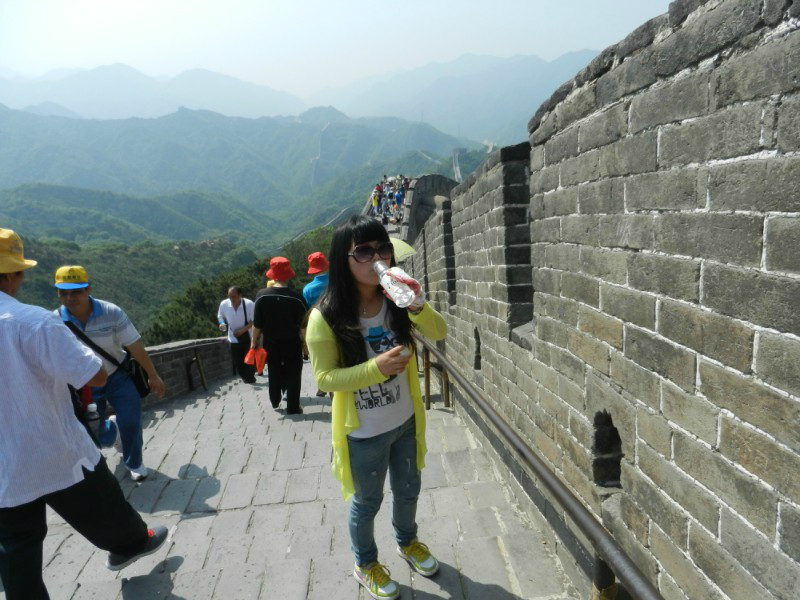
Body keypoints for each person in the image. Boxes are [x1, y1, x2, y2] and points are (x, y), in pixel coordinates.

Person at [0, 229, 168, 600]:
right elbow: (95, 374)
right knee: (101, 500)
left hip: (4, 469)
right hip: (53, 447)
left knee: (16, 549)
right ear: (12, 274)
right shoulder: (34, 322)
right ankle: (132, 543)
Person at [305, 216, 447, 600]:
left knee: (408, 489)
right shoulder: (325, 317)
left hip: (405, 419)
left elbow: (439, 332)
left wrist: (417, 304)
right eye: (363, 252)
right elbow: (325, 379)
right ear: (344, 259)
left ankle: (408, 541)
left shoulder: (394, 300)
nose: (377, 258)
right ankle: (365, 563)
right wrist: (375, 369)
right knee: (367, 502)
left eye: (382, 248)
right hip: (364, 432)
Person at [54, 265, 165, 481]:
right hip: (86, 383)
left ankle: (134, 462)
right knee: (96, 432)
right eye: (63, 292)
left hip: (118, 376)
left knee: (131, 421)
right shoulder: (55, 321)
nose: (69, 298)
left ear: (88, 289)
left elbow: (134, 345)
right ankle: (112, 430)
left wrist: (153, 375)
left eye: (76, 291)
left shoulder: (111, 312)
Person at [251, 257, 308, 414]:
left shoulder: (262, 296)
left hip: (270, 342)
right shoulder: (296, 298)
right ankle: (293, 406)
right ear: (288, 275)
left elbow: (257, 325)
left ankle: (275, 399)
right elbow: (304, 327)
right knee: (294, 372)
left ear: (272, 275)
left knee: (274, 369)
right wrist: (305, 347)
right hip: (292, 342)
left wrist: (253, 343)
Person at [217, 286, 256, 384]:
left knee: (248, 359)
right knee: (237, 360)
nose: (231, 299)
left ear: (240, 295)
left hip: (248, 336)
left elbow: (255, 321)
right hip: (233, 337)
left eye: (234, 296)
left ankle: (250, 377)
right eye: (230, 296)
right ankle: (245, 377)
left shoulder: (249, 304)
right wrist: (222, 323)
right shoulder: (224, 304)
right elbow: (220, 315)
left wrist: (242, 330)